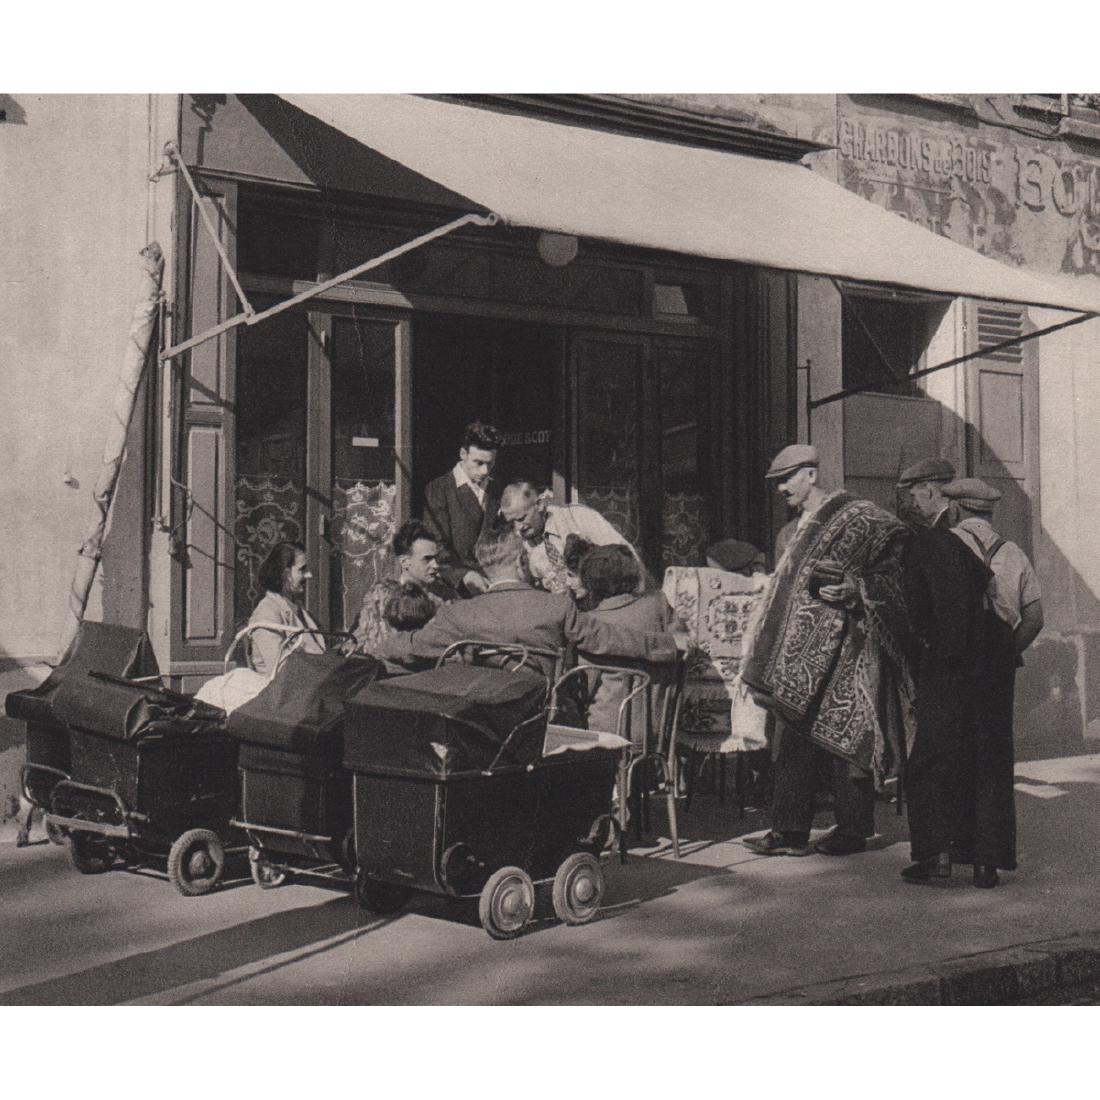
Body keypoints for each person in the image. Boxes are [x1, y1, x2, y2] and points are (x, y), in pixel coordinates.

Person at [741, 444, 914, 857]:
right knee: (791, 734)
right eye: (777, 482)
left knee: (849, 731)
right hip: (801, 653)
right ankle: (789, 831)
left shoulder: (862, 518)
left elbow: (896, 575)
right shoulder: (788, 534)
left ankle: (853, 831)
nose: (781, 488)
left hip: (852, 646)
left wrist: (856, 589)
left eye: (787, 479)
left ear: (811, 474)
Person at [377, 525, 685, 679]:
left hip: (483, 721)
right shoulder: (556, 607)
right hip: (542, 720)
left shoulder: (460, 614)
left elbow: (413, 647)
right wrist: (670, 644)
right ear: (521, 562)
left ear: (485, 567)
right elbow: (608, 639)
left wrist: (373, 652)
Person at [935, 476, 1044, 888]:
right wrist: (1004, 653)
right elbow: (1035, 619)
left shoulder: (946, 548)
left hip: (955, 667)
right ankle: (989, 863)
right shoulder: (1013, 553)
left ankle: (952, 851)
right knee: (994, 760)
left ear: (956, 509)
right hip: (997, 670)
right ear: (989, 512)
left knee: (954, 755)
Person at [898, 476, 993, 887]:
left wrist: (924, 643)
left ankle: (933, 854)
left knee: (927, 761)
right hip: (979, 664)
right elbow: (985, 585)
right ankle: (973, 851)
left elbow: (915, 611)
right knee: (971, 758)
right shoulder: (966, 547)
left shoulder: (923, 546)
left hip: (942, 663)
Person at [580, 545, 675, 739]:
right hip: (660, 727)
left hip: (608, 731)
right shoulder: (658, 604)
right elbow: (681, 649)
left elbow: (585, 688)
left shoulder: (591, 623)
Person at [499, 480, 642, 595]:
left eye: (521, 518)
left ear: (540, 505)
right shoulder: (519, 541)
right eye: (511, 522)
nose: (518, 528)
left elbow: (625, 556)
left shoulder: (578, 517)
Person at [422, 421, 504, 596]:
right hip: (454, 589)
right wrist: (463, 575)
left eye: (490, 464)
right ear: (463, 454)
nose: (485, 471)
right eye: (478, 463)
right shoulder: (439, 489)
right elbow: (436, 544)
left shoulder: (497, 489)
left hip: (493, 587)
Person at [351, 520, 457, 650]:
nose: (435, 565)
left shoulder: (445, 595)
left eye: (436, 558)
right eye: (427, 559)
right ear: (404, 562)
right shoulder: (383, 596)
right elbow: (371, 641)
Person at [248, 541, 325, 677]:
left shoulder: (296, 609)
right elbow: (280, 669)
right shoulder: (267, 612)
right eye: (303, 569)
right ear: (285, 574)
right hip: (285, 687)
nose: (309, 575)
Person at [896, 457, 956, 531]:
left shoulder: (944, 528)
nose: (915, 504)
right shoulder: (958, 518)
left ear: (928, 491)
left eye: (914, 496)